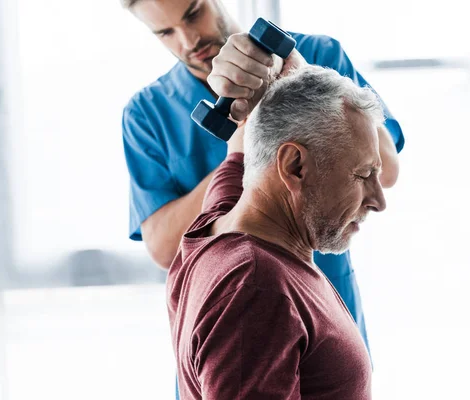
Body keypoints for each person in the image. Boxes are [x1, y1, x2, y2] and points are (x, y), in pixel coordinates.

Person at [120, 0, 404, 392]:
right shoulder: (250, 286)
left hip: (326, 312)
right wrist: (265, 133)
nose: (188, 40)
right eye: (164, 33)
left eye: (193, 14)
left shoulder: (316, 55)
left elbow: (382, 168)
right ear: (292, 165)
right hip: (251, 323)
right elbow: (164, 245)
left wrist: (295, 79)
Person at [169, 64, 386, 399]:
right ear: (294, 166)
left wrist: (278, 75)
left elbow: (241, 153)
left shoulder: (217, 221)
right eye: (362, 175)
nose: (378, 200)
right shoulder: (255, 289)